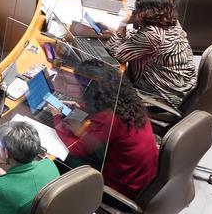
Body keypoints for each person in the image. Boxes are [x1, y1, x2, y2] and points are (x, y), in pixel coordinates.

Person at [52, 59, 158, 198]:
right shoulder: (125, 101)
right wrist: (83, 109)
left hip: (122, 188)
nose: (79, 90)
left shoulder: (110, 118)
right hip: (142, 176)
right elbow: (102, 118)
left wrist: (56, 117)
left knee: (59, 159)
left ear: (92, 91)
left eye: (81, 87)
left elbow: (76, 148)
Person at [103, 0, 197, 108]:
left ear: (144, 14)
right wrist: (116, 31)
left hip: (162, 96)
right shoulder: (170, 22)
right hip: (182, 88)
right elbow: (139, 37)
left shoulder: (153, 35)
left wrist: (123, 23)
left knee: (103, 90)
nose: (133, 12)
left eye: (136, 10)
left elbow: (115, 52)